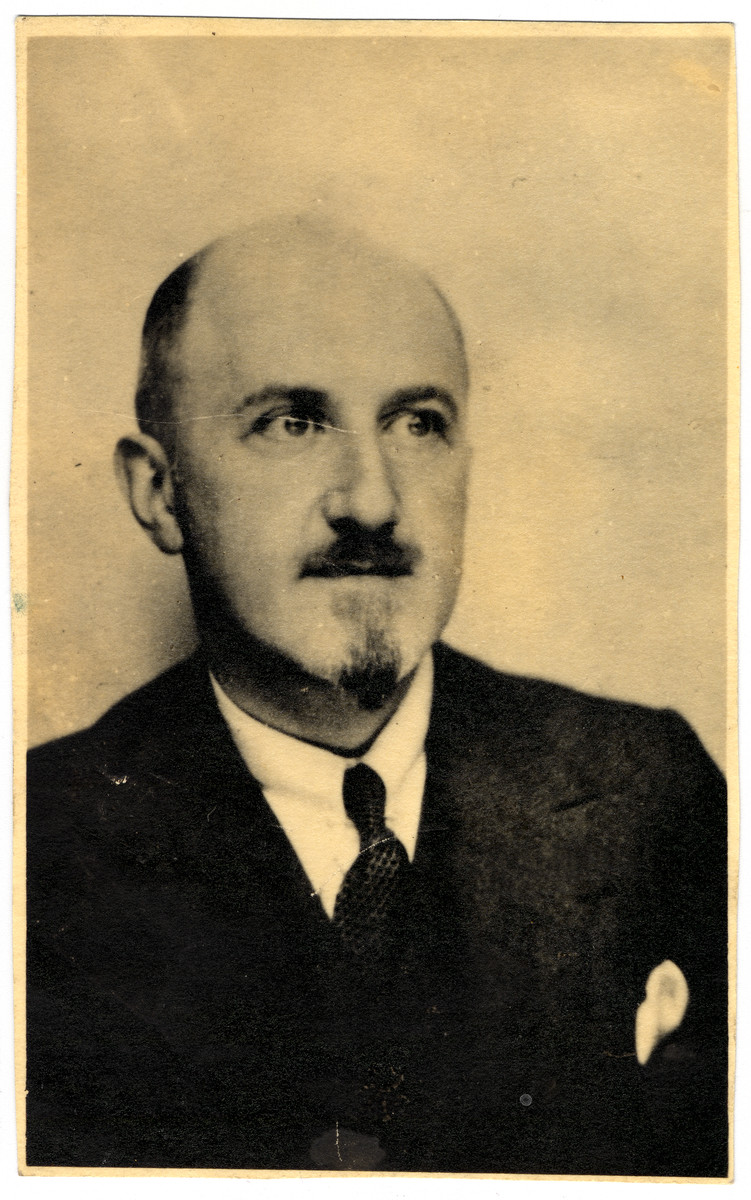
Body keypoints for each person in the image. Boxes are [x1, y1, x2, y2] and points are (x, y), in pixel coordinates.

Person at [25, 217, 728, 1176]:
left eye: (417, 423)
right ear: (158, 491)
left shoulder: (645, 791)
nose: (371, 500)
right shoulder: (36, 847)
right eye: (292, 422)